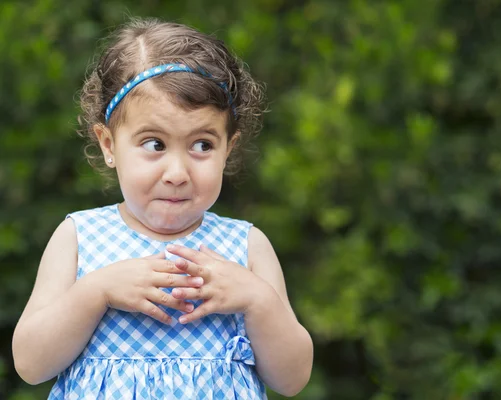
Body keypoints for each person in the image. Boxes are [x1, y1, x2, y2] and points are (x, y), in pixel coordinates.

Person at [12, 17, 313, 399]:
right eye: (154, 144)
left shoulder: (247, 247)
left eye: (202, 145)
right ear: (108, 145)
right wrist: (96, 291)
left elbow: (292, 379)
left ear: (228, 149)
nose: (177, 173)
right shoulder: (79, 237)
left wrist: (258, 300)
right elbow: (30, 364)